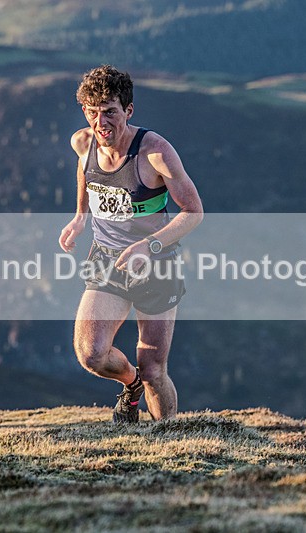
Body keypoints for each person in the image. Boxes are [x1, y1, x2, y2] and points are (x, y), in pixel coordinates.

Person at [59, 65, 203, 423]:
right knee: (91, 354)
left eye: (110, 111)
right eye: (92, 112)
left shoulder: (155, 153)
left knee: (153, 368)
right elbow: (86, 172)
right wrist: (80, 216)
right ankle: (131, 385)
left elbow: (193, 212)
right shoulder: (83, 143)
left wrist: (149, 246)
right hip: (106, 259)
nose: (101, 122)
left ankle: (166, 437)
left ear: (128, 110)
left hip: (157, 264)